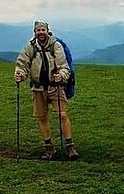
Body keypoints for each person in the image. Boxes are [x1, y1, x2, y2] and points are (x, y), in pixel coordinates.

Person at [14, 20, 79, 160]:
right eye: (38, 30)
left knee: (62, 115)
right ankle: (49, 147)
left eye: (43, 30)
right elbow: (22, 64)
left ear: (47, 31)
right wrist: (20, 74)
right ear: (35, 32)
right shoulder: (30, 47)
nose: (41, 33)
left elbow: (64, 66)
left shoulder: (56, 46)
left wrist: (61, 76)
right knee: (42, 117)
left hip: (55, 86)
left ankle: (70, 146)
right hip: (37, 88)